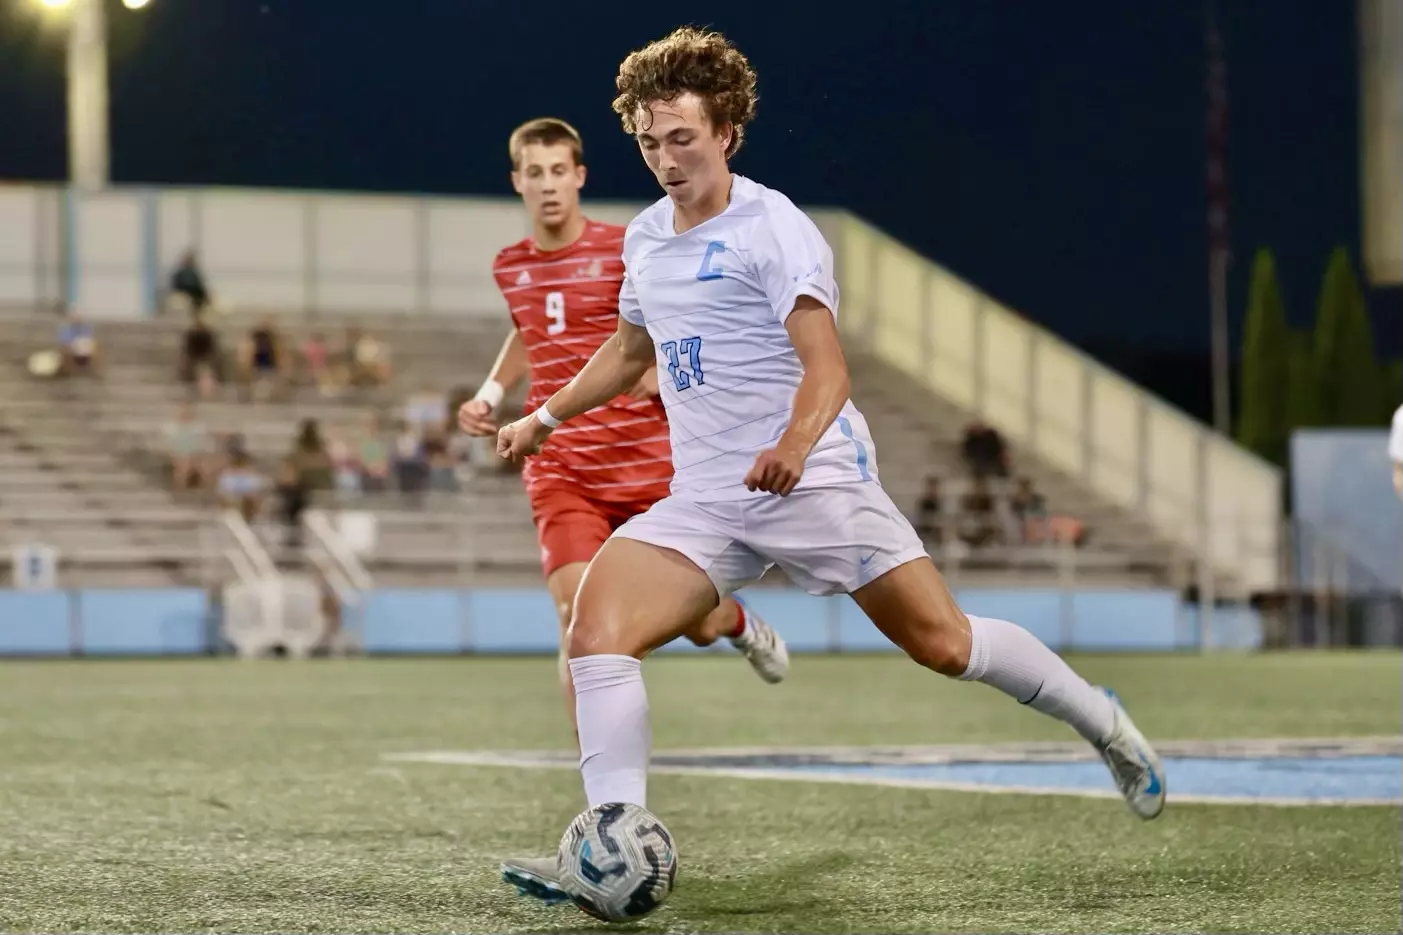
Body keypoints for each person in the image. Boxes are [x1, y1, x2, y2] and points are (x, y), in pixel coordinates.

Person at [493, 27, 1165, 902]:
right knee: (594, 628)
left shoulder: (774, 228)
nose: (665, 159)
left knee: (944, 643)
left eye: (683, 139)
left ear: (726, 130)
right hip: (706, 500)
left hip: (816, 480)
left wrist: (792, 446)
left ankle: (1100, 719)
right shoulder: (648, 238)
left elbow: (828, 368)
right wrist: (542, 415)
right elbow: (626, 354)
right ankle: (608, 846)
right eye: (651, 141)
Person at [456, 117, 789, 747]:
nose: (549, 185)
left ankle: (733, 622)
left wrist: (664, 369)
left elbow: (679, 319)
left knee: (693, 619)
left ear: (579, 176)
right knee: (577, 616)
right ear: (517, 183)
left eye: (560, 171)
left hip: (645, 463)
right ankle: (605, 801)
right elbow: (531, 332)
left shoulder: (627, 248)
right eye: (535, 173)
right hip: (563, 469)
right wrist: (490, 394)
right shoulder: (511, 266)